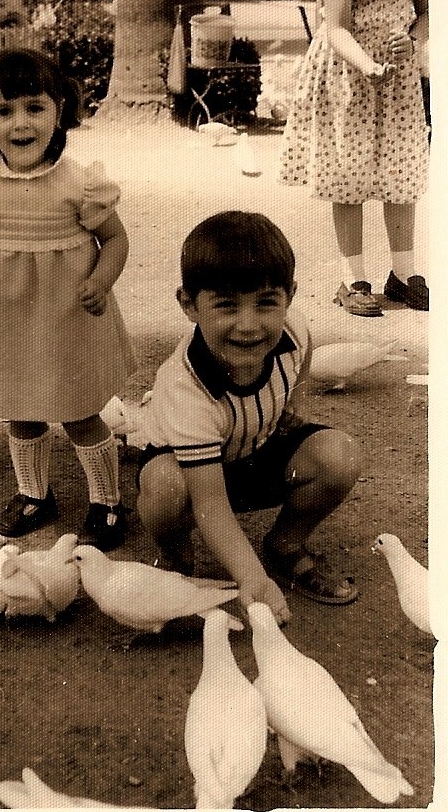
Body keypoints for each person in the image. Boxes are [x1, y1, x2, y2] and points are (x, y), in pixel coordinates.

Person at [0, 48, 136, 550]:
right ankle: (35, 494)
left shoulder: (79, 182)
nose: (21, 123)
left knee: (78, 412)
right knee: (20, 407)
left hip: (68, 316)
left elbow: (115, 239)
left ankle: (107, 502)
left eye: (35, 107)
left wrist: (102, 280)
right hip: (8, 315)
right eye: (4, 111)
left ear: (60, 109)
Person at [136, 212, 361, 625]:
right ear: (188, 305)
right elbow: (210, 502)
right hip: (193, 476)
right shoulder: (186, 387)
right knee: (164, 486)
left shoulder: (293, 329)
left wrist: (297, 400)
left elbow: (306, 350)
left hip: (257, 451)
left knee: (339, 455)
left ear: (289, 297)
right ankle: (178, 558)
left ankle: (284, 545)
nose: (249, 325)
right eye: (226, 305)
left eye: (266, 303)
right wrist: (251, 580)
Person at [279, 0, 429, 316]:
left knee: (401, 170)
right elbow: (336, 28)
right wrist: (367, 66)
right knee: (348, 173)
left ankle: (403, 273)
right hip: (349, 67)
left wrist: (413, 40)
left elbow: (426, 12)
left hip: (398, 71)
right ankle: (353, 278)